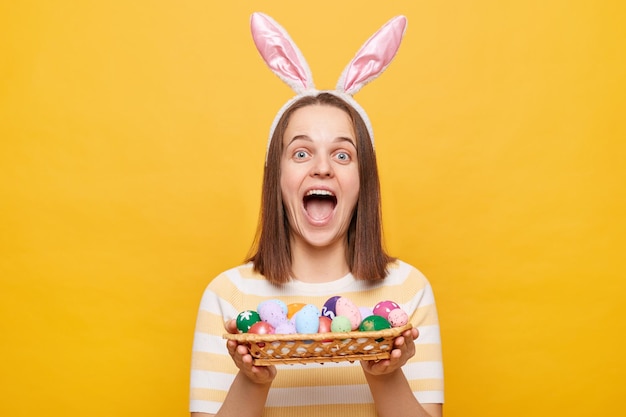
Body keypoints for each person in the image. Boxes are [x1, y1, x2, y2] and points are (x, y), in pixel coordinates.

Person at [190, 12, 443, 417]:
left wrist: (385, 372)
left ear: (364, 182)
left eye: (342, 154)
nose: (322, 168)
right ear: (277, 177)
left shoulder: (408, 293)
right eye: (301, 153)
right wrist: (251, 379)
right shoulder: (228, 299)